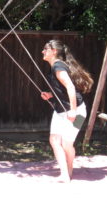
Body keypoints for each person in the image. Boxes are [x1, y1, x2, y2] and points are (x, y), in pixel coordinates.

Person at [40, 40, 93, 183]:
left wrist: (73, 111)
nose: (42, 51)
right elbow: (62, 89)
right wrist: (50, 95)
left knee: (67, 144)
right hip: (60, 111)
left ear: (54, 51)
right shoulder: (55, 67)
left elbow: (70, 87)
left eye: (46, 49)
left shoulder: (58, 66)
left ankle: (69, 170)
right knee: (54, 140)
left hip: (79, 112)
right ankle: (65, 173)